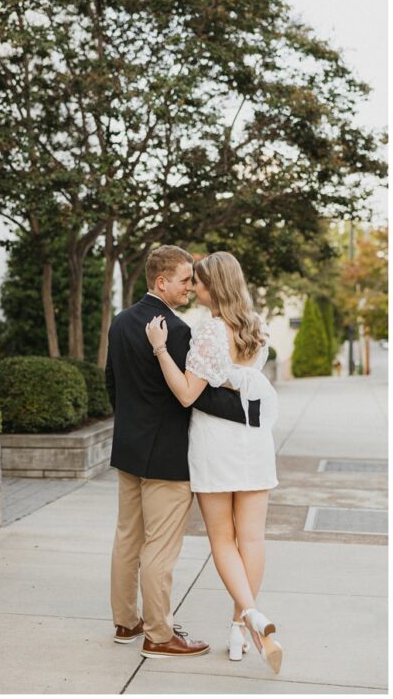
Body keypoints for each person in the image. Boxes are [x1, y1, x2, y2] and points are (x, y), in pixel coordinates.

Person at [104, 245, 262, 661]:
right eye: (185, 280)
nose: (191, 287)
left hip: (128, 449)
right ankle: (158, 634)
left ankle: (126, 622)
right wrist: (252, 409)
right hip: (168, 456)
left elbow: (112, 385)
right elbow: (194, 397)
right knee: (160, 547)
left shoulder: (120, 323)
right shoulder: (176, 331)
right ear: (162, 282)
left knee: (127, 537)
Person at [145, 250, 281, 673]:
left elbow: (187, 394)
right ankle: (240, 629)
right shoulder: (256, 326)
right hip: (254, 440)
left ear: (213, 286)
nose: (193, 288)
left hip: (216, 444)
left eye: (198, 282)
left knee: (223, 540)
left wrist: (161, 350)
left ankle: (254, 615)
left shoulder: (209, 331)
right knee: (252, 540)